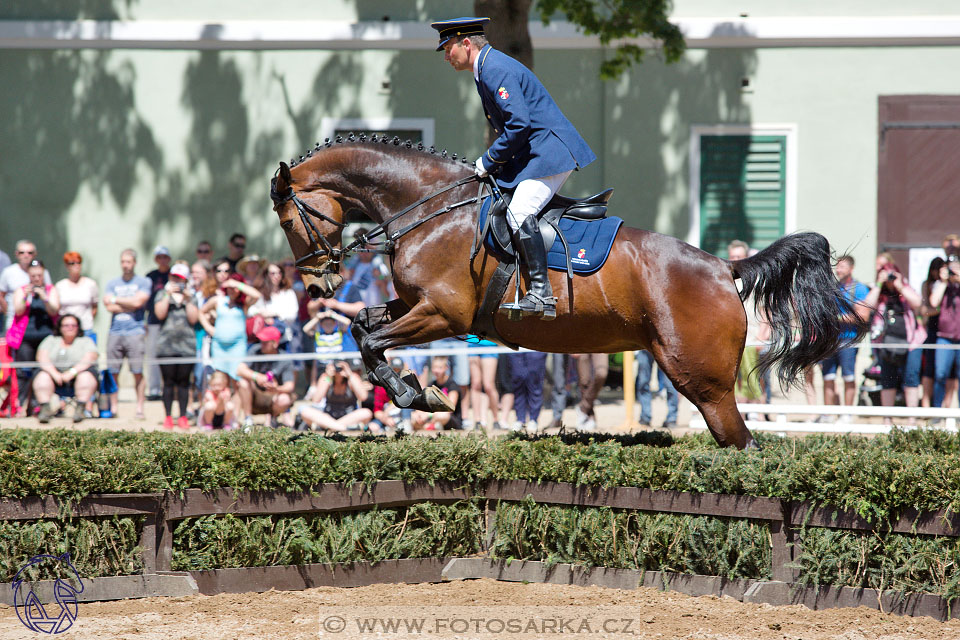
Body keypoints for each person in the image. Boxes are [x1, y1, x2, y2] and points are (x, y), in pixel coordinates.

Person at [431, 17, 596, 320]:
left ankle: (541, 292)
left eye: (447, 48)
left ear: (466, 44)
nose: (445, 56)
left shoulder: (495, 68)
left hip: (549, 154)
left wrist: (488, 160)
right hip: (534, 154)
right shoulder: (486, 69)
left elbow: (519, 125)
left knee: (520, 211)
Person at [863, 253, 925, 418]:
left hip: (911, 342)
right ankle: (887, 419)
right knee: (887, 380)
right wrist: (878, 284)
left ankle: (912, 419)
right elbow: (866, 307)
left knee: (911, 379)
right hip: (886, 344)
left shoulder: (905, 290)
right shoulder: (879, 294)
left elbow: (918, 303)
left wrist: (900, 285)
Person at [818, 255, 870, 415]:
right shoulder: (831, 288)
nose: (838, 270)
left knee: (848, 377)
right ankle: (828, 414)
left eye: (842, 267)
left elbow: (863, 316)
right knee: (828, 377)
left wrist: (836, 318)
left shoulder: (859, 289)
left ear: (851, 269)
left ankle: (847, 414)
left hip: (849, 340)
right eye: (837, 267)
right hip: (830, 340)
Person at [104, 249, 152, 419]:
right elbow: (107, 305)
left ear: (135, 263)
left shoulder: (143, 282)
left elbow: (139, 302)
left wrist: (116, 300)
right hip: (115, 331)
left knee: (137, 371)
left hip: (135, 331)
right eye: (123, 261)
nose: (126, 265)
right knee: (113, 371)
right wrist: (130, 303)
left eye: (129, 262)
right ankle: (113, 408)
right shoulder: (112, 283)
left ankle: (139, 408)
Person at [10, 259, 60, 413]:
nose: (36, 279)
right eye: (33, 276)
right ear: (28, 275)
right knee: (24, 372)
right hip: (25, 338)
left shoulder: (51, 290)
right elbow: (18, 311)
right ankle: (22, 405)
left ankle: (39, 404)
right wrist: (26, 297)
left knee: (42, 371)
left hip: (46, 339)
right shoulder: (22, 290)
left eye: (39, 275)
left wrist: (44, 297)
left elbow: (54, 310)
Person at [153, 263, 199, 429]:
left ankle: (183, 416)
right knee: (168, 383)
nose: (176, 281)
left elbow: (194, 318)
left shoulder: (191, 297)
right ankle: (167, 416)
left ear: (186, 280)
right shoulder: (161, 294)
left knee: (184, 383)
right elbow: (160, 314)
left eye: (180, 279)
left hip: (187, 347)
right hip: (166, 346)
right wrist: (167, 295)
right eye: (174, 277)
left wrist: (186, 299)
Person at [32, 314, 98, 423]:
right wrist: (55, 373)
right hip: (54, 376)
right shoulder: (51, 340)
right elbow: (41, 357)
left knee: (86, 377)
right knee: (42, 377)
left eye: (73, 325)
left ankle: (80, 410)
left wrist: (71, 373)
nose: (70, 328)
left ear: (78, 327)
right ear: (60, 327)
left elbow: (90, 358)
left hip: (77, 375)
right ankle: (45, 410)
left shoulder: (85, 341)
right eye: (66, 325)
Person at [198, 274, 262, 384]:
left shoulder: (244, 304)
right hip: (219, 347)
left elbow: (257, 295)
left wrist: (237, 284)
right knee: (219, 380)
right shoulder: (218, 300)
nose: (232, 290)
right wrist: (209, 328)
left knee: (238, 379)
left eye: (235, 288)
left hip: (237, 347)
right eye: (230, 287)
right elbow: (201, 312)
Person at [236, 326, 296, 428]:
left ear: (275, 343)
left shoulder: (285, 358)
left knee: (285, 399)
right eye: (261, 341)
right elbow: (239, 370)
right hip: (255, 395)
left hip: (273, 396)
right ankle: (248, 419)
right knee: (242, 382)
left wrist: (276, 389)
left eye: (265, 342)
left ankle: (273, 417)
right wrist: (257, 377)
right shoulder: (255, 350)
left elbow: (290, 386)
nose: (262, 344)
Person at [920, 257, 957, 407]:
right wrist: (943, 282)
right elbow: (929, 306)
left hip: (952, 331)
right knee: (933, 370)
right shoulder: (933, 284)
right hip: (936, 331)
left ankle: (947, 405)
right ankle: (930, 405)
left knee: (952, 372)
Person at [298, 359, 372, 432]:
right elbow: (316, 400)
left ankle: (330, 427)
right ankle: (342, 428)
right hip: (328, 417)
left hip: (349, 417)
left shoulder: (352, 377)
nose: (338, 370)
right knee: (305, 411)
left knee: (366, 412)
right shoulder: (326, 378)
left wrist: (349, 375)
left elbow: (363, 397)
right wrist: (328, 377)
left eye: (341, 367)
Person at [929, 249, 960, 408]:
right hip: (944, 337)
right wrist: (943, 281)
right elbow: (934, 302)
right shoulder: (941, 285)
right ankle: (937, 411)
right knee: (941, 374)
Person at [0, 240, 51, 334]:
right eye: (22, 252)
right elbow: (1, 295)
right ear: (16, 254)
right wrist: (8, 311)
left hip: (40, 323)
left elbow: (49, 292)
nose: (26, 255)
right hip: (15, 322)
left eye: (30, 252)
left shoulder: (43, 272)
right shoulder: (9, 272)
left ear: (35, 254)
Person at [144, 245, 172, 401]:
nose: (162, 260)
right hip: (153, 321)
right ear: (156, 259)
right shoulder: (150, 276)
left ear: (168, 259)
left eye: (165, 257)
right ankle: (154, 389)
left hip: (171, 322)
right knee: (153, 355)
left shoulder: (173, 275)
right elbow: (146, 302)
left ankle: (169, 388)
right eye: (159, 257)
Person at [55, 252, 99, 344]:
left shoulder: (90, 284)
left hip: (86, 329)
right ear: (67, 266)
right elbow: (57, 308)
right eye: (72, 263)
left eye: (78, 262)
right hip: (66, 331)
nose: (76, 265)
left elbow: (94, 307)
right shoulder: (60, 286)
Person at [410, 356, 462, 431]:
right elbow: (423, 404)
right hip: (433, 417)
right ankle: (432, 427)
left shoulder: (452, 385)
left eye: (440, 368)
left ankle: (428, 427)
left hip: (450, 420)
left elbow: (450, 408)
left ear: (446, 368)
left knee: (443, 415)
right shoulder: (431, 384)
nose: (437, 370)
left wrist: (428, 415)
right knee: (414, 416)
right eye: (435, 367)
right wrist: (418, 413)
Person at [506, 350, 548, 432]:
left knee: (535, 383)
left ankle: (533, 419)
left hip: (536, 348)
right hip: (516, 347)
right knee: (518, 380)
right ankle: (520, 419)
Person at [636, 350, 678, 428]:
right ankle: (645, 417)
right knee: (643, 382)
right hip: (644, 347)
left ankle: (672, 418)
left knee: (670, 384)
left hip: (664, 345)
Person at [467, 336, 500, 431]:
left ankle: (496, 419)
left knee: (488, 385)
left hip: (490, 343)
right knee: (475, 384)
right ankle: (477, 420)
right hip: (473, 343)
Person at [574, 353, 607, 430]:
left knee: (601, 373)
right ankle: (590, 416)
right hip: (582, 344)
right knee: (584, 381)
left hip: (601, 343)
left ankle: (583, 407)